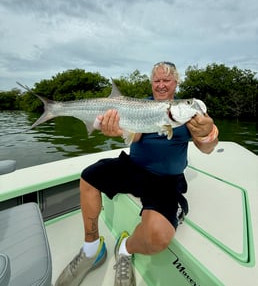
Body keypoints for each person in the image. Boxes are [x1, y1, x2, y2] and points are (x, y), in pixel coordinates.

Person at [55, 61, 219, 286]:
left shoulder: (191, 113)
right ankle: (92, 249)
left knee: (158, 237)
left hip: (166, 179)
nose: (161, 85)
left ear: (176, 82)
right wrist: (115, 129)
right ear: (152, 83)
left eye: (167, 80)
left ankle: (124, 249)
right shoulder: (143, 105)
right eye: (157, 81)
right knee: (89, 177)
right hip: (134, 167)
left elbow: (208, 148)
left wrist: (208, 132)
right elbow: (134, 137)